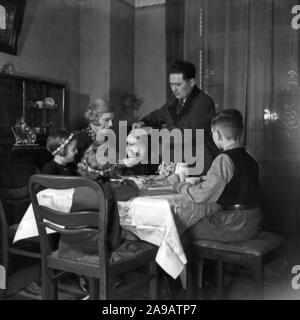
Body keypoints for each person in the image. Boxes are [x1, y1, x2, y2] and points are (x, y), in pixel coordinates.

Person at [167, 109, 263, 243]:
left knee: (179, 229)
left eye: (212, 133)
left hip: (234, 224)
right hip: (253, 223)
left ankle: (196, 264)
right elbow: (238, 184)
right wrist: (205, 180)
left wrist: (176, 184)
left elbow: (201, 195)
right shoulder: (250, 159)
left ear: (217, 134)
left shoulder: (223, 159)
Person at [132, 60, 219, 175]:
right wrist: (143, 122)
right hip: (180, 158)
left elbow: (186, 133)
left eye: (178, 85)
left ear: (192, 82)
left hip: (200, 161)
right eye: (171, 84)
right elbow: (159, 114)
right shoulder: (176, 100)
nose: (174, 89)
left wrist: (151, 131)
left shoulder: (204, 102)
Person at [75, 98, 114, 163]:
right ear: (94, 118)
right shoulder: (80, 139)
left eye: (112, 120)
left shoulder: (106, 137)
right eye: (106, 120)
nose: (110, 124)